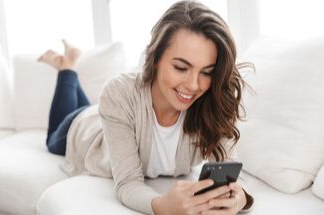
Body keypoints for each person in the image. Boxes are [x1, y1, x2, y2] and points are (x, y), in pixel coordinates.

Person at [38, 1, 254, 214]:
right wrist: (163, 207)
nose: (193, 85)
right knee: (53, 136)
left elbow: (230, 167)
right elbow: (128, 183)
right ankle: (67, 68)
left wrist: (240, 198)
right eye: (181, 67)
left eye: (206, 72)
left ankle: (69, 67)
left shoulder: (213, 100)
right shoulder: (118, 92)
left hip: (111, 114)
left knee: (93, 107)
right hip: (83, 128)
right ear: (156, 57)